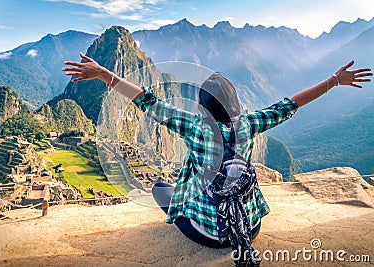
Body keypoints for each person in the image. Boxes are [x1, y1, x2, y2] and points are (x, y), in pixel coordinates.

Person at [63, 53, 372, 266]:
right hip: (250, 229)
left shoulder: (194, 127)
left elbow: (147, 100)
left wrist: (104, 74)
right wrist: (334, 80)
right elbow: (291, 103)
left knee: (161, 189)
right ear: (235, 102)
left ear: (202, 106)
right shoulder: (250, 124)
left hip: (208, 235)